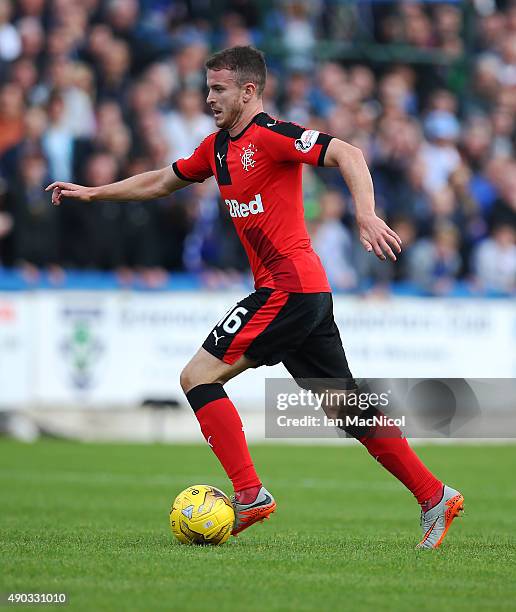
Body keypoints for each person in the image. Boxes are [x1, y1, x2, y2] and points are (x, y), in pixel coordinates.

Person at [46, 46, 464, 549]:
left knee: (197, 376)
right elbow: (162, 180)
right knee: (346, 408)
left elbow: (348, 153)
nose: (209, 99)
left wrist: (366, 213)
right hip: (304, 292)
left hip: (287, 288)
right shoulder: (216, 148)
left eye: (218, 89)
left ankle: (249, 496)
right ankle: (434, 495)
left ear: (248, 91)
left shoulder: (271, 135)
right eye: (207, 89)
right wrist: (94, 192)